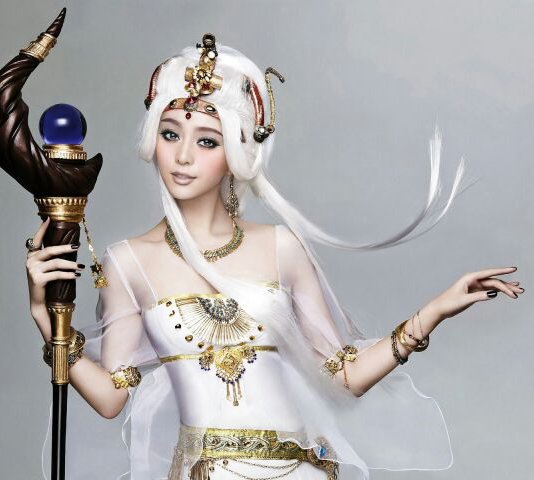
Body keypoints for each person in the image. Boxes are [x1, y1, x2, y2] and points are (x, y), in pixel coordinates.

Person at [25, 34, 523, 480]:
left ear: (235, 152)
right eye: (170, 133)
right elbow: (111, 398)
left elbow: (345, 377)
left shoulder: (281, 247)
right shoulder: (128, 262)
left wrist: (433, 312)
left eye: (207, 141)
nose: (183, 156)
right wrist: (47, 319)